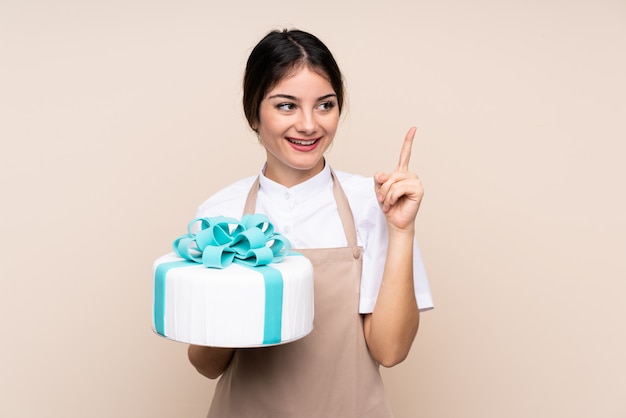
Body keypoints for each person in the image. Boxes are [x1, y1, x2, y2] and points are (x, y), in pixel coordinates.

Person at [187, 28, 434, 418]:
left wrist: (401, 230)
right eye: (286, 105)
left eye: (325, 105)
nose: (308, 125)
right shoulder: (222, 214)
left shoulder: (374, 204)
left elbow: (390, 351)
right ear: (254, 112)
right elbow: (206, 363)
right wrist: (235, 279)